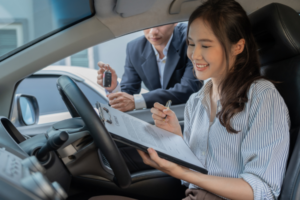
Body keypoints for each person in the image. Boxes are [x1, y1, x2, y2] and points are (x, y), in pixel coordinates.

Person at [137, 0, 290, 200]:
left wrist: (183, 172)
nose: (194, 55)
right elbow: (193, 177)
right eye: (191, 44)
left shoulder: (262, 97)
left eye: (206, 45)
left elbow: (262, 191)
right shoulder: (195, 101)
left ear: (238, 47)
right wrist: (176, 140)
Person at [97, 23, 201, 112]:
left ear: (174, 21)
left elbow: (189, 88)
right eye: (147, 24)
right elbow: (128, 92)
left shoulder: (190, 40)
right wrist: (114, 88)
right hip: (158, 118)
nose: (153, 32)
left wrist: (137, 101)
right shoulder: (134, 48)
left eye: (160, 23)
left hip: (190, 113)